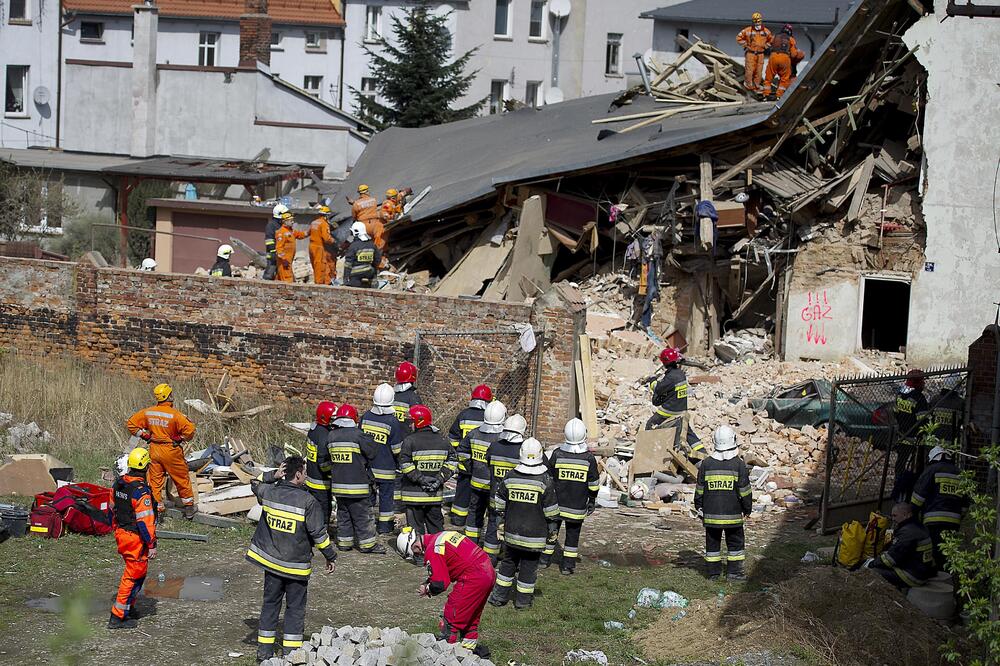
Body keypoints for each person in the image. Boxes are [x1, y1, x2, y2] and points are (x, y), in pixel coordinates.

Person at [246, 456, 336, 661]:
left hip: (271, 565)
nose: (306, 475)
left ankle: (264, 652)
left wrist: (273, 475)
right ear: (298, 475)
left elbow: (254, 484)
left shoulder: (269, 493)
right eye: (305, 472)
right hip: (296, 568)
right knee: (295, 609)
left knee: (270, 605)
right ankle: (292, 654)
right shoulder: (308, 501)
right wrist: (330, 556)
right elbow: (319, 535)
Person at [398, 527, 495, 656]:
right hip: (487, 571)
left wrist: (428, 589)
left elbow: (440, 584)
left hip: (473, 577)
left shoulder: (433, 550)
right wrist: (428, 582)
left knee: (452, 616)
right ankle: (468, 652)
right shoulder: (440, 537)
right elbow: (447, 566)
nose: (418, 556)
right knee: (470, 616)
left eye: (415, 554)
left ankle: (448, 654)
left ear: (415, 545)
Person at [488, 438, 559, 610]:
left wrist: (501, 521)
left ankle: (498, 597)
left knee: (507, 565)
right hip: (534, 537)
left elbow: (499, 500)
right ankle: (522, 601)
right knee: (528, 569)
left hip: (512, 534)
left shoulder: (510, 477)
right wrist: (552, 531)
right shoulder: (545, 481)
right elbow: (551, 512)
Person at [126, 383, 197, 519]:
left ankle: (157, 507)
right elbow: (190, 430)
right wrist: (180, 438)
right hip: (171, 450)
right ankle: (189, 508)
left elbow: (131, 424)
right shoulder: (175, 415)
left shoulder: (149, 412)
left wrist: (145, 435)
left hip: (154, 450)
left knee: (155, 480)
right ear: (169, 396)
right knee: (181, 478)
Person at [542, 418, 600, 575]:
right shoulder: (588, 458)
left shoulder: (557, 454)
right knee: (572, 536)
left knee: (551, 532)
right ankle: (567, 565)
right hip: (577, 507)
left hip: (556, 505)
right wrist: (592, 500)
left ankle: (544, 560)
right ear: (584, 435)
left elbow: (549, 478)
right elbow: (593, 483)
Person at [695, 426, 753, 580]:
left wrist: (699, 507)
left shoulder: (706, 464)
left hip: (711, 516)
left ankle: (713, 574)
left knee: (712, 545)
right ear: (733, 441)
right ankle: (734, 573)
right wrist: (748, 509)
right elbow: (745, 491)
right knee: (735, 544)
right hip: (733, 516)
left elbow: (700, 489)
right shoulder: (739, 464)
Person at [108, 447, 157, 630]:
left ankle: (127, 608)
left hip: (123, 534)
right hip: (135, 538)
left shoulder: (119, 484)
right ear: (145, 467)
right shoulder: (140, 492)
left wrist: (116, 529)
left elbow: (111, 509)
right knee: (132, 576)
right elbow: (145, 523)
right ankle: (117, 616)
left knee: (138, 573)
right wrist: (151, 544)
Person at [328, 404, 385, 553]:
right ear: (353, 418)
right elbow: (372, 452)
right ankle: (367, 545)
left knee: (343, 515)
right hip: (357, 486)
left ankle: (344, 543)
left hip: (338, 487)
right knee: (362, 516)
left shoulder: (331, 435)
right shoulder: (358, 435)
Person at [398, 405, 457, 535]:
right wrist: (439, 479)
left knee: (415, 532)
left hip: (414, 497)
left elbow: (404, 463)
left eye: (411, 422)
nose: (409, 425)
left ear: (419, 422)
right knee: (436, 530)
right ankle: (436, 553)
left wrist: (420, 479)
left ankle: (418, 554)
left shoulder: (410, 441)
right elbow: (453, 461)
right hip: (434, 496)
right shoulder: (443, 440)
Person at [361, 383, 409, 535]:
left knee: (368, 498)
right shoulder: (393, 422)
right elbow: (396, 449)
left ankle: (365, 526)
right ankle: (384, 528)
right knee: (386, 500)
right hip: (386, 469)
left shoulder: (365, 417)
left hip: (367, 468)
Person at [458, 401, 507, 545]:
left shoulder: (474, 433)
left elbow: (461, 452)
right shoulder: (503, 438)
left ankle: (471, 544)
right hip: (496, 487)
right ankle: (491, 548)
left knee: (474, 513)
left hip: (476, 484)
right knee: (494, 516)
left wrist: (470, 468)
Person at [911, 446, 967, 569]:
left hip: (933, 521)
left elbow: (918, 497)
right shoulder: (960, 473)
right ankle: (947, 576)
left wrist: (913, 513)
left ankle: (934, 576)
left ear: (933, 458)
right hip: (954, 522)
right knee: (948, 551)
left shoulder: (931, 470)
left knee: (933, 550)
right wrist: (959, 517)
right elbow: (965, 502)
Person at [483, 413, 527, 562]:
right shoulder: (525, 450)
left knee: (493, 526)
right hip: (518, 500)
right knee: (517, 529)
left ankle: (490, 558)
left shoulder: (494, 447)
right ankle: (513, 559)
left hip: (496, 497)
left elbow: (488, 464)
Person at [646, 348, 704, 458]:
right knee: (687, 432)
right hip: (682, 410)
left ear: (664, 362)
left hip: (670, 411)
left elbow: (658, 388)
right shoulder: (680, 374)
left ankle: (650, 452)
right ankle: (702, 452)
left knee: (650, 425)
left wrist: (652, 380)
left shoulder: (671, 378)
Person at [448, 384, 492, 528]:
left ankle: (458, 519)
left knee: (462, 491)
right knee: (479, 495)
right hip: (482, 464)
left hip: (464, 462)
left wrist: (457, 452)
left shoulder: (464, 415)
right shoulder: (489, 418)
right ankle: (476, 521)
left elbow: (453, 437)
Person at [869, 502, 936, 590]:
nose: (893, 519)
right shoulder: (918, 526)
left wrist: (872, 563)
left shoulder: (907, 532)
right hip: (921, 571)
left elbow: (890, 559)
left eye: (895, 516)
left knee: (873, 572)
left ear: (905, 515)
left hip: (912, 576)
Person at [892, 369, 931, 501]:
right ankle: (912, 490)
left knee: (900, 463)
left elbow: (895, 412)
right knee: (916, 467)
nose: (924, 384)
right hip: (915, 439)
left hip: (902, 436)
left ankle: (898, 483)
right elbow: (923, 420)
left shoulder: (900, 394)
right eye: (922, 381)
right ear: (917, 382)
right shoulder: (919, 398)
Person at [305, 401, 337, 522]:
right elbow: (323, 463)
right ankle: (321, 537)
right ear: (326, 418)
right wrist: (333, 471)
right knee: (323, 512)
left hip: (311, 479)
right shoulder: (324, 435)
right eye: (333, 419)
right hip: (321, 483)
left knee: (312, 512)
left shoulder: (313, 430)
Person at [763, 24, 805, 99]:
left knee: (768, 77)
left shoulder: (775, 36)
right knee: (784, 78)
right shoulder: (791, 39)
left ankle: (766, 94)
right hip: (785, 59)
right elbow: (793, 54)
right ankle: (779, 96)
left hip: (773, 57)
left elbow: (766, 46)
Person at [736, 12, 772, 93]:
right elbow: (738, 38)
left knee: (758, 71)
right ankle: (748, 85)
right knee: (750, 70)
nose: (757, 23)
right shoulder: (748, 30)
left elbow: (771, 40)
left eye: (758, 21)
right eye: (755, 21)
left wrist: (766, 46)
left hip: (760, 54)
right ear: (753, 21)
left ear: (761, 21)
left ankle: (756, 86)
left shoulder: (766, 31)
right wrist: (745, 45)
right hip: (751, 53)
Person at [342, 221, 381, 288]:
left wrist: (346, 278)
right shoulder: (372, 245)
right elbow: (377, 259)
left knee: (353, 287)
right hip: (369, 272)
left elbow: (348, 264)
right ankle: (373, 283)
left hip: (356, 274)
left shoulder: (353, 246)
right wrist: (374, 272)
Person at [308, 206, 337, 285]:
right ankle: (319, 285)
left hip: (311, 247)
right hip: (319, 247)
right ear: (326, 215)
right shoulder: (324, 224)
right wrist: (333, 241)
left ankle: (323, 282)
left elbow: (308, 233)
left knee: (316, 266)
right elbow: (326, 238)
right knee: (320, 267)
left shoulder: (314, 222)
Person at [275, 212, 307, 283]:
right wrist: (284, 259)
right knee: (287, 280)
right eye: (291, 220)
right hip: (284, 261)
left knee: (280, 279)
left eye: (293, 220)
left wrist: (310, 231)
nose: (293, 222)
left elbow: (300, 235)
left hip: (289, 260)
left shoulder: (291, 231)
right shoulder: (281, 232)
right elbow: (279, 248)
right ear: (285, 221)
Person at [264, 204, 286, 280]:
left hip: (281, 254)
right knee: (269, 274)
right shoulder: (271, 225)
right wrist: (274, 252)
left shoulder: (281, 225)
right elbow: (269, 241)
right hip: (273, 255)